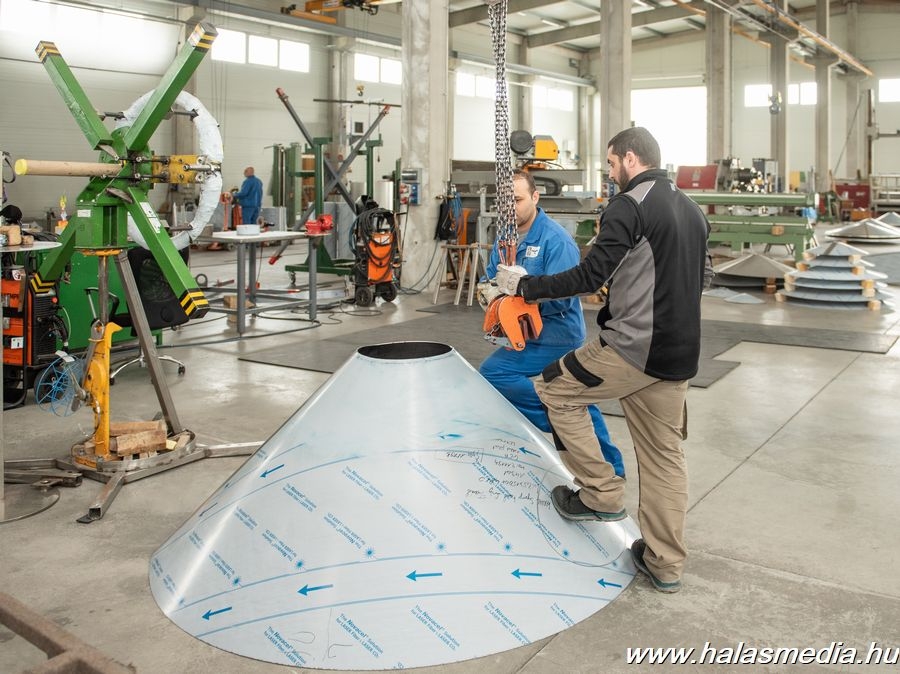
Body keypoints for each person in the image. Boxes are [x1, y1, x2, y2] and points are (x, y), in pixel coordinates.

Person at [495, 128, 712, 593]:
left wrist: (523, 286)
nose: (611, 173)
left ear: (630, 159)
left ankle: (600, 493)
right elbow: (704, 275)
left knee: (555, 388)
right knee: (664, 458)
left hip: (632, 348)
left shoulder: (629, 205)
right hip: (680, 354)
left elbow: (590, 275)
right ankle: (665, 563)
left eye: (611, 164)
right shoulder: (692, 208)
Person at [480, 169, 625, 478]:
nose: (510, 208)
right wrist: (490, 291)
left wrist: (524, 291)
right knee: (572, 395)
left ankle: (567, 420)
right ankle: (601, 453)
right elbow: (489, 278)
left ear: (535, 197)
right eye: (504, 202)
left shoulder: (556, 240)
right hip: (520, 329)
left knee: (495, 373)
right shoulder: (505, 239)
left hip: (555, 331)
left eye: (517, 200)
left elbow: (563, 298)